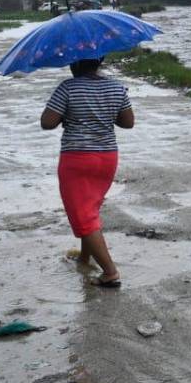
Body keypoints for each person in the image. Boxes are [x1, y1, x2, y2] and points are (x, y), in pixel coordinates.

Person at [40, 57, 134, 288]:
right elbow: (128, 122)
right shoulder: (116, 87)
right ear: (99, 60)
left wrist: (66, 115)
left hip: (77, 158)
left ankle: (110, 273)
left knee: (83, 214)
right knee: (89, 210)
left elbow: (47, 122)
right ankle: (85, 256)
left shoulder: (68, 87)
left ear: (73, 64)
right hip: (107, 158)